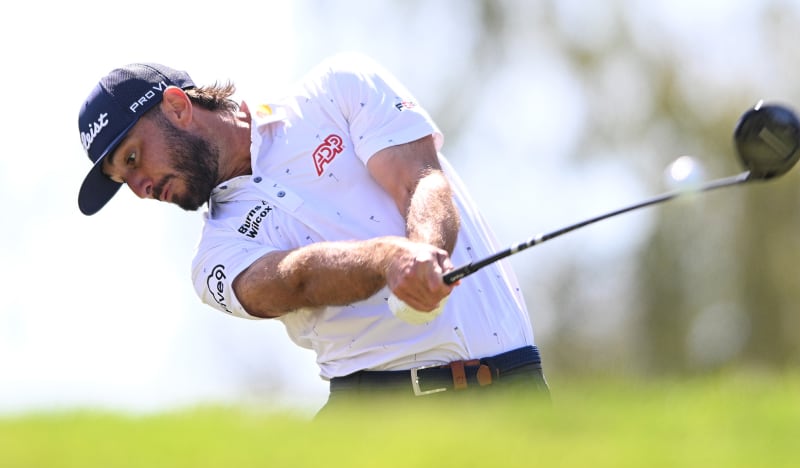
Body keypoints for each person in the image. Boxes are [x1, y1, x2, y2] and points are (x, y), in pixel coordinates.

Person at [75, 52, 549, 415]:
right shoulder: (212, 258)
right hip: (376, 416)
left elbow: (419, 178)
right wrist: (391, 260)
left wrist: (424, 255)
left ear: (177, 107)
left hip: (517, 390)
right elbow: (295, 279)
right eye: (123, 181)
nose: (140, 190)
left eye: (133, 159)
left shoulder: (338, 88)